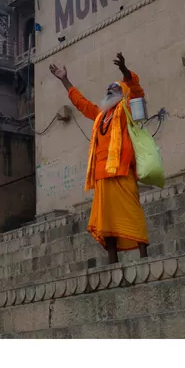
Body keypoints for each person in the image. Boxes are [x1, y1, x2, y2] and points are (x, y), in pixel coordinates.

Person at [49, 52, 150, 265]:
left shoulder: (126, 110)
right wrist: (64, 79)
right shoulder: (99, 115)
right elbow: (80, 102)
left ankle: (144, 257)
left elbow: (137, 92)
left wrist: (124, 72)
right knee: (107, 220)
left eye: (114, 88)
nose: (108, 90)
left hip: (122, 171)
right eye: (107, 89)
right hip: (101, 175)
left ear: (122, 93)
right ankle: (112, 260)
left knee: (132, 211)